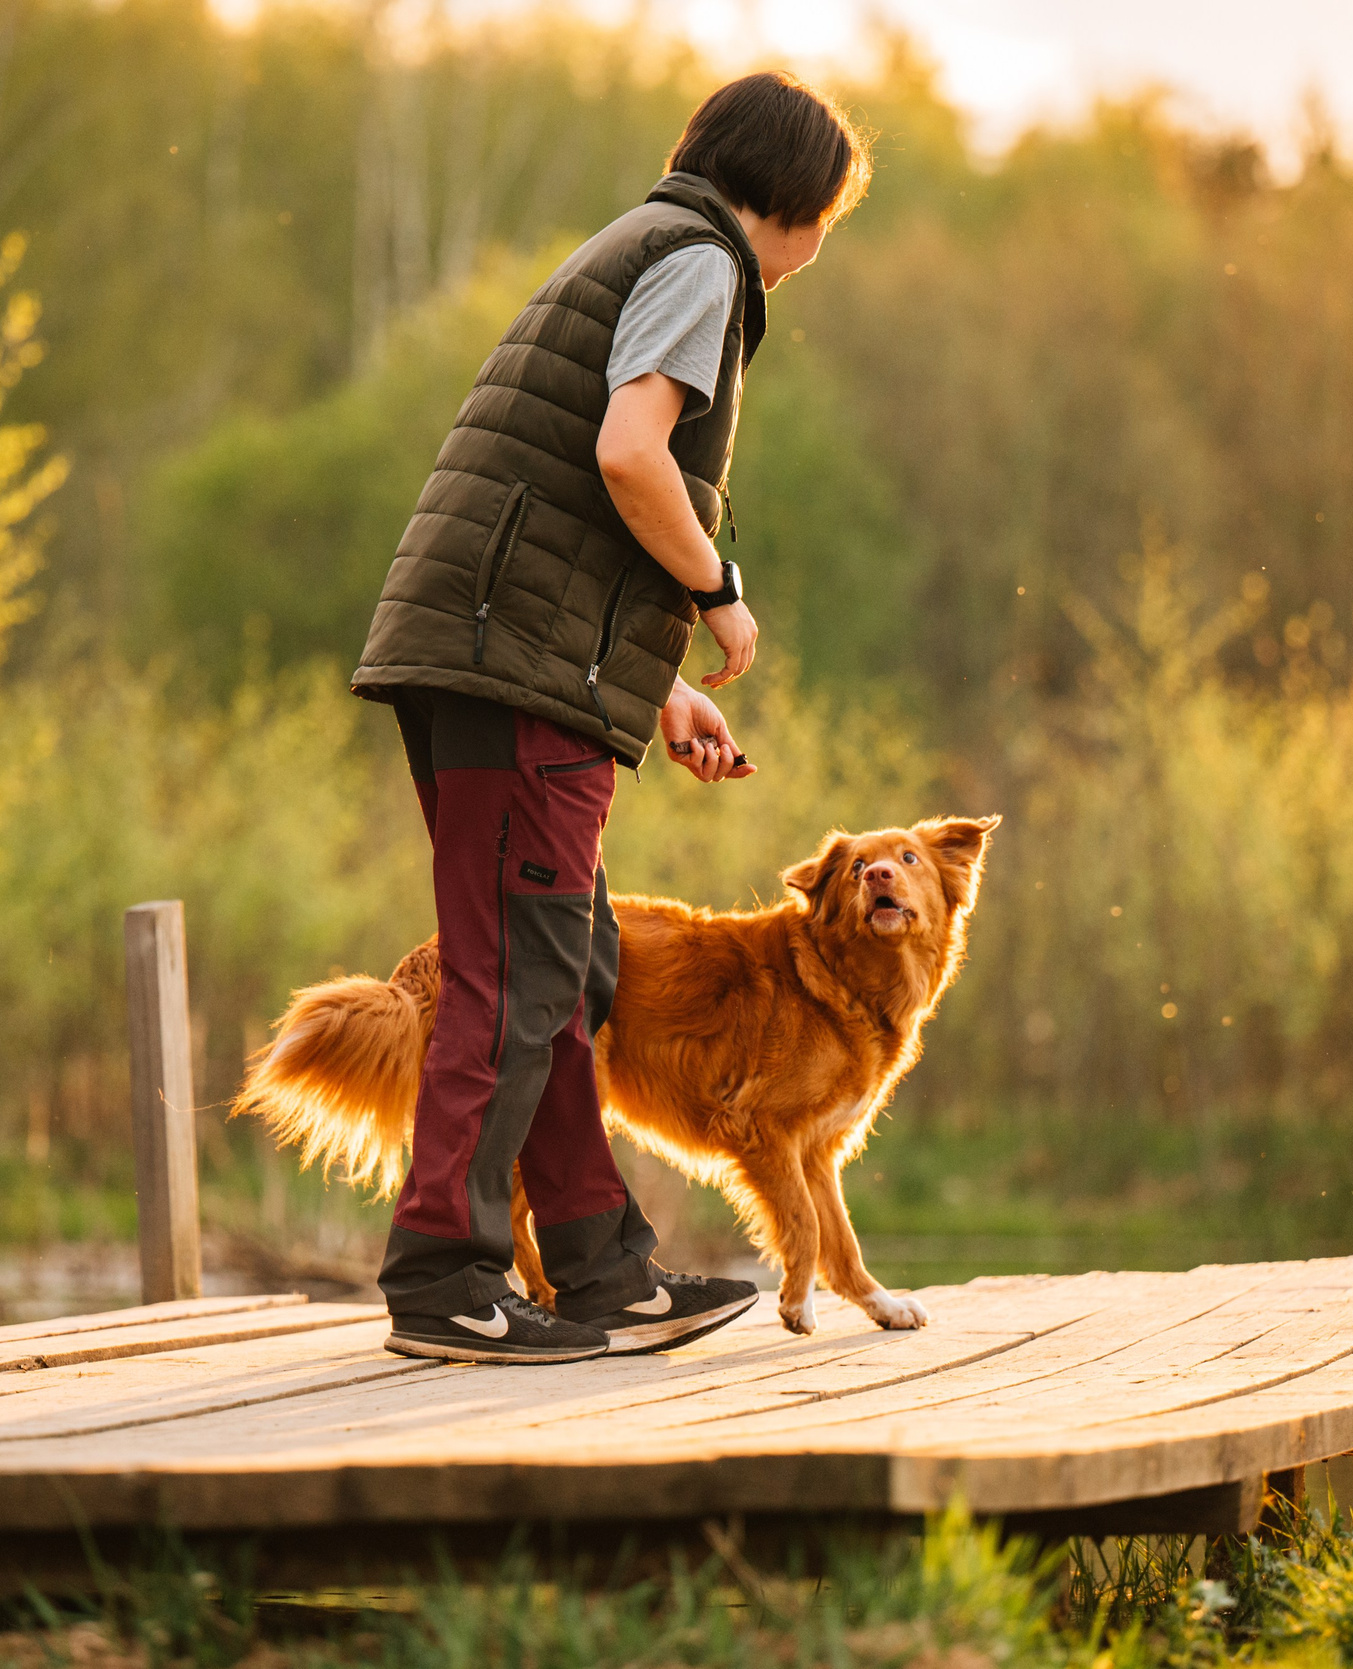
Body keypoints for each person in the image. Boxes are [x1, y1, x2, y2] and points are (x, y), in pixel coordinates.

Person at [348, 71, 872, 1364]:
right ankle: (445, 1277)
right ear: (792, 206)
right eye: (826, 225)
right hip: (501, 670)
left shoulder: (639, 242)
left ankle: (600, 1269)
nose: (815, 256)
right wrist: (718, 596)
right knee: (517, 971)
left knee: (567, 963)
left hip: (499, 656)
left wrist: (655, 683)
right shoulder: (703, 264)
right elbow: (631, 455)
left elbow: (563, 516)